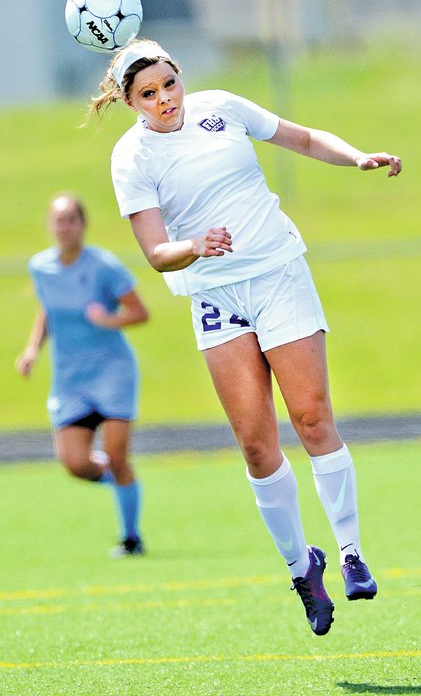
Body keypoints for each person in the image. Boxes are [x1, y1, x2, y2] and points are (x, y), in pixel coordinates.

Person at [88, 38, 401, 636]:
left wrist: (357, 157)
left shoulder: (224, 108)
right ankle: (301, 568)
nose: (164, 102)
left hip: (279, 274)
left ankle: (351, 550)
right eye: (147, 95)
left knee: (311, 417)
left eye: (169, 86)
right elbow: (156, 253)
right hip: (214, 294)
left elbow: (304, 139)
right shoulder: (132, 158)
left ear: (181, 76)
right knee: (257, 446)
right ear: (130, 102)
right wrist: (194, 246)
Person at [16, 193, 148, 557]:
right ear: (50, 224)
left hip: (112, 371)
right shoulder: (40, 267)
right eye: (58, 220)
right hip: (70, 378)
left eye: (71, 220)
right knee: (75, 464)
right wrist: (31, 350)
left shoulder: (104, 266)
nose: (65, 227)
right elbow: (47, 310)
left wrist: (110, 319)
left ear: (82, 224)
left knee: (118, 456)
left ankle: (131, 537)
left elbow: (140, 312)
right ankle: (124, 484)